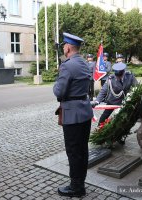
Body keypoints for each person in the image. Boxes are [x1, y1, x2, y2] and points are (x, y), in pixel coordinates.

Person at [53, 32, 93, 198]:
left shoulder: (67, 65)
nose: (63, 47)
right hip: (84, 111)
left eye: (64, 45)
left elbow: (59, 91)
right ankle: (80, 183)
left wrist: (57, 79)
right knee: (82, 150)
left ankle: (76, 187)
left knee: (73, 151)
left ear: (68, 47)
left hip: (72, 114)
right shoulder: (83, 63)